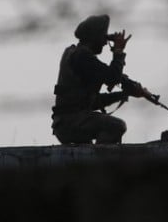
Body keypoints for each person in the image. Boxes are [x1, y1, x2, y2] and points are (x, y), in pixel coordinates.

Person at [51, 14, 151, 145]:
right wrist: (118, 51)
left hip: (68, 122)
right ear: (94, 37)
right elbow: (112, 77)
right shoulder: (82, 57)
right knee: (116, 126)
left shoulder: (77, 54)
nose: (105, 43)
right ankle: (101, 162)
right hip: (70, 122)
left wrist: (125, 93)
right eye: (103, 38)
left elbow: (92, 103)